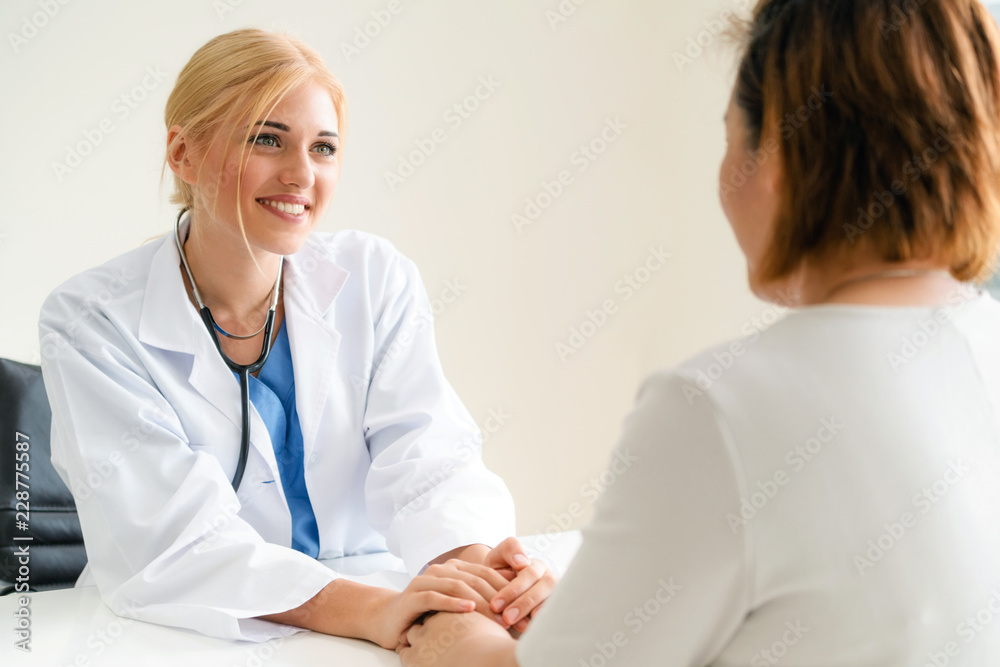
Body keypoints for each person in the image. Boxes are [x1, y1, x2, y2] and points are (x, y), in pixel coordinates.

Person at [399, 0, 1000, 664]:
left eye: (728, 137)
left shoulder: (719, 407)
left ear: (777, 154)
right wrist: (608, 603)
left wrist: (464, 646)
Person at [37, 28, 553, 649]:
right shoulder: (91, 320)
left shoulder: (373, 277)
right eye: (266, 139)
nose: (300, 174)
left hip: (375, 598)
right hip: (192, 631)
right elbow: (172, 542)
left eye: (324, 148)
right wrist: (378, 613)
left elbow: (430, 459)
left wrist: (474, 574)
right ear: (183, 153)